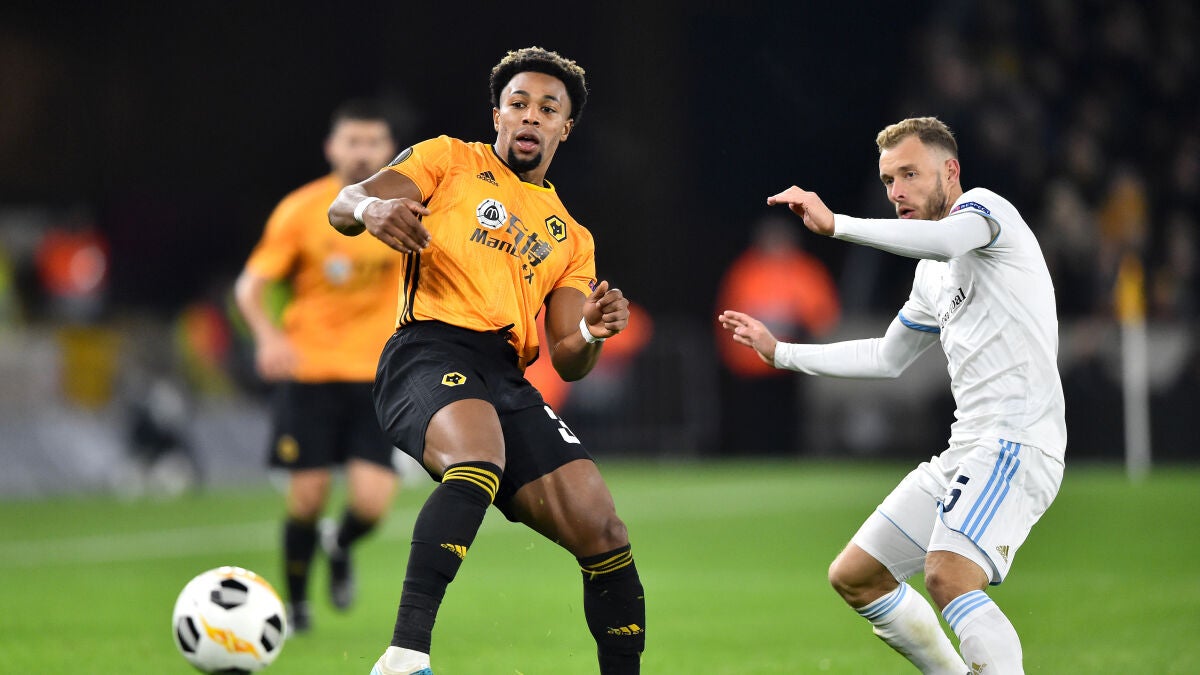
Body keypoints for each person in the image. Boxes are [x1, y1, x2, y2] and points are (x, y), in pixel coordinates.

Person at [328, 47, 645, 675]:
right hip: (427, 350)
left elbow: (569, 359)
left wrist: (592, 329)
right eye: (518, 103)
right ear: (497, 115)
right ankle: (404, 656)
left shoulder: (570, 236)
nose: (530, 116)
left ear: (564, 128)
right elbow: (346, 203)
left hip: (504, 375)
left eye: (547, 108)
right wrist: (372, 209)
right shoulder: (447, 159)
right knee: (477, 459)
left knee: (604, 531)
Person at [720, 116, 1066, 674]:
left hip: (1016, 443)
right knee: (857, 576)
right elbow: (887, 356)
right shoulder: (931, 275)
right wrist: (781, 353)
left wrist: (838, 225)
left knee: (949, 575)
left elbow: (947, 239)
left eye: (910, 174)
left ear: (950, 171)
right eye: (887, 180)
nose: (896, 192)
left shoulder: (986, 211)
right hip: (966, 451)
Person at [234, 99, 402, 634]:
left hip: (377, 376)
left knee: (371, 505)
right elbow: (250, 287)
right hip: (309, 375)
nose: (362, 152)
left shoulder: (405, 207)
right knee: (306, 497)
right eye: (352, 141)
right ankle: (298, 608)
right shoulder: (301, 210)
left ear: (390, 148)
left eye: (373, 142)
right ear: (332, 147)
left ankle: (340, 542)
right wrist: (268, 338)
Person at [714, 214, 840, 455]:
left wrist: (796, 323)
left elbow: (823, 315)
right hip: (750, 365)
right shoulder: (746, 271)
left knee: (787, 423)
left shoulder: (804, 271)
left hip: (790, 362)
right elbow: (728, 315)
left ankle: (789, 459)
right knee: (752, 423)